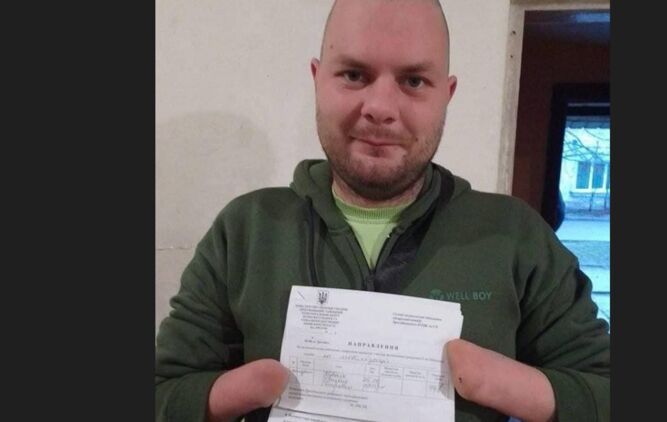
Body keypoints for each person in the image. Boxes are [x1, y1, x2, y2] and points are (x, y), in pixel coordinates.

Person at [155, 1, 610, 421]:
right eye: (354, 74)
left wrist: (501, 383)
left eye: (413, 81)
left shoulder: (515, 235)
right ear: (317, 78)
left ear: (447, 94)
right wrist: (244, 389)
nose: (379, 108)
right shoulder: (245, 230)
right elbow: (161, 393)